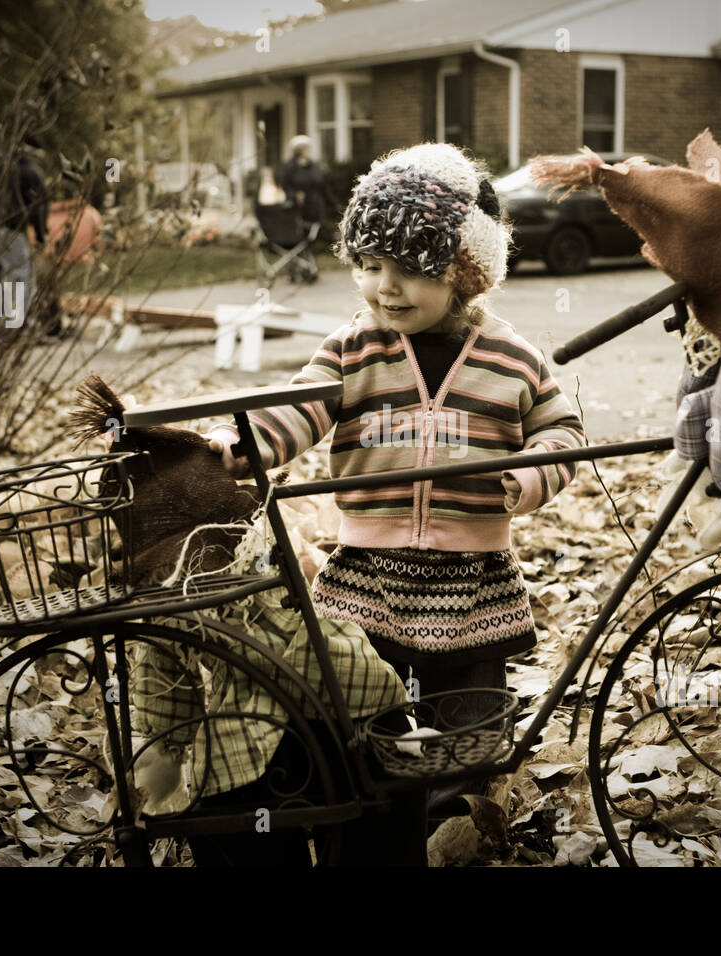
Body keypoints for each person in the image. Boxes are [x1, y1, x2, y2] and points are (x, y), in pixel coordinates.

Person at [205, 142, 587, 865]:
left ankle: (450, 838)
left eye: (413, 270)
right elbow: (300, 407)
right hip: (365, 577)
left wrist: (532, 473)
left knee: (463, 739)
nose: (387, 288)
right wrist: (248, 443)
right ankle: (369, 840)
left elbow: (561, 428)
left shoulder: (511, 356)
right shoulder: (353, 348)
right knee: (363, 724)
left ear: (465, 273)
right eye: (372, 267)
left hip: (473, 584)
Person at [0, 138, 49, 340]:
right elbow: (40, 205)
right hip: (12, 227)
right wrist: (40, 234)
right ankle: (20, 326)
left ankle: (2, 327)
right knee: (22, 275)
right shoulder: (29, 171)